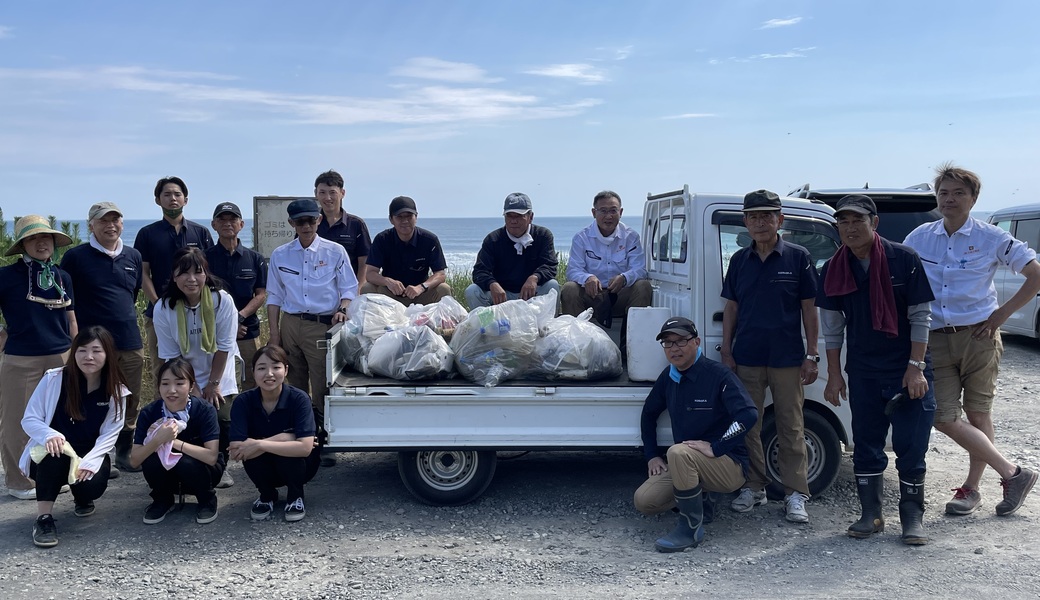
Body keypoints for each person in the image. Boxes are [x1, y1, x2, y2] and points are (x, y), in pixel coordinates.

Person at [903, 164, 1040, 517]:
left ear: (973, 198)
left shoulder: (991, 237)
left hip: (979, 337)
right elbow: (897, 277)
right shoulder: (920, 237)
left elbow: (1035, 274)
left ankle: (972, 489)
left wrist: (1001, 316)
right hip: (934, 339)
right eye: (944, 193)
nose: (949, 200)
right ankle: (1014, 473)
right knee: (944, 416)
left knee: (979, 414)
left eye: (958, 193)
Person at [816, 195, 936, 545]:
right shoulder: (833, 268)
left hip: (906, 367)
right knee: (866, 443)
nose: (850, 228)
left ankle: (912, 517)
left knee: (911, 444)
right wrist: (835, 374)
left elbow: (920, 317)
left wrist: (915, 369)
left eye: (858, 220)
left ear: (874, 223)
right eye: (843, 221)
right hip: (865, 368)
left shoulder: (904, 259)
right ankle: (871, 514)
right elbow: (833, 327)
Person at [720, 189, 819, 523]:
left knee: (791, 426)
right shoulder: (738, 260)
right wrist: (727, 350)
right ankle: (753, 487)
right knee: (748, 424)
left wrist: (812, 354)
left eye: (766, 216)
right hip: (747, 356)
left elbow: (809, 309)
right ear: (745, 222)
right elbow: (731, 307)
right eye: (753, 217)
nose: (760, 223)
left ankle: (795, 494)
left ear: (781, 219)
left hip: (788, 357)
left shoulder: (798, 256)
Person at [634, 317, 758, 553]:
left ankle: (690, 529)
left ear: (697, 342)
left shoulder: (718, 375)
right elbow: (649, 414)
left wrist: (716, 447)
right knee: (645, 501)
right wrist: (651, 455)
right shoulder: (669, 377)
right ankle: (702, 500)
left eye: (681, 341)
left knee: (678, 452)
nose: (674, 349)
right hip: (687, 463)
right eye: (668, 343)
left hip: (728, 464)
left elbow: (748, 415)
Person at [267, 198, 358, 467]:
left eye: (310, 220)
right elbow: (274, 296)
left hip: (321, 325)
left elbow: (350, 288)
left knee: (321, 385)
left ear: (319, 220)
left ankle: (323, 440)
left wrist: (343, 308)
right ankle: (297, 438)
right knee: (293, 384)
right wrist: (274, 334)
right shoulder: (280, 255)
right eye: (300, 222)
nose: (306, 226)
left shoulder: (335, 251)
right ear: (291, 224)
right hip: (290, 323)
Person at [20, 327, 129, 547]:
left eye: (96, 350)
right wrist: (49, 434)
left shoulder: (116, 390)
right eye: (82, 350)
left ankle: (82, 496)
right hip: (54, 450)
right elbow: (29, 419)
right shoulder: (54, 379)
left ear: (107, 354)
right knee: (54, 456)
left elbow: (111, 432)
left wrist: (93, 460)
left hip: (89, 451)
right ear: (74, 352)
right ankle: (44, 519)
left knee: (92, 486)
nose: (89, 357)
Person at [60, 202, 144, 475]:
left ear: (122, 223)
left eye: (115, 220)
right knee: (94, 396)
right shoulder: (75, 257)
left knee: (129, 396)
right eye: (103, 221)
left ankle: (123, 450)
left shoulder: (132, 256)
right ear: (91, 225)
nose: (110, 225)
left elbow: (131, 297)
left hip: (130, 340)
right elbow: (66, 302)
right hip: (92, 345)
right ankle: (97, 456)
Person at [1, 215, 78, 500]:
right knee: (16, 421)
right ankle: (19, 481)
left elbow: (71, 320)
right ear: (23, 245)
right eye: (33, 238)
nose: (41, 242)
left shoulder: (62, 276)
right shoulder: (6, 276)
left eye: (46, 237)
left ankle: (59, 473)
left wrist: (75, 351)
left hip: (61, 355)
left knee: (61, 417)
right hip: (21, 358)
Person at [205, 202, 267, 488]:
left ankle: (255, 445)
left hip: (248, 332)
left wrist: (238, 318)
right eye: (222, 219)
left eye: (233, 219)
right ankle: (222, 459)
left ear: (242, 225)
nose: (228, 224)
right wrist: (226, 326)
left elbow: (262, 293)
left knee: (256, 389)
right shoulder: (204, 259)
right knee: (222, 397)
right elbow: (200, 297)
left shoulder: (254, 258)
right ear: (214, 225)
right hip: (214, 340)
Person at [134, 176, 214, 387]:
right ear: (157, 200)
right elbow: (143, 273)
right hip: (160, 311)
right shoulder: (147, 234)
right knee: (162, 367)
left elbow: (207, 273)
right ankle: (166, 415)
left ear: (185, 200)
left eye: (178, 194)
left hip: (197, 310)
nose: (173, 199)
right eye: (167, 194)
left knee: (200, 362)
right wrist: (158, 304)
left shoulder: (201, 233)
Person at [229, 345, 319, 522]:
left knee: (288, 454)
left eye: (276, 367)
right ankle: (267, 495)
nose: (269, 373)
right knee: (271, 451)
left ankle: (295, 496)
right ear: (253, 372)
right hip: (262, 464)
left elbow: (306, 448)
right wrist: (285, 437)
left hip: (300, 465)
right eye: (262, 368)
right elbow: (236, 451)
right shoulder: (243, 402)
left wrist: (258, 444)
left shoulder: (299, 398)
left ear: (285, 370)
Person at [129, 357, 224, 525]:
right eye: (165, 384)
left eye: (180, 383)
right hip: (168, 476)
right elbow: (135, 460)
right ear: (158, 387)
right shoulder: (149, 413)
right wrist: (157, 440)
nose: (171, 390)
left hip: (203, 472)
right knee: (151, 459)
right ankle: (162, 499)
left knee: (184, 462)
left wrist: (173, 442)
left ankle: (206, 499)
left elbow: (211, 457)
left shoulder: (204, 410)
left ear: (191, 386)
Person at [152, 247, 240, 411]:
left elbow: (224, 347)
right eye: (184, 273)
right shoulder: (163, 308)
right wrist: (194, 390)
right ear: (174, 276)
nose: (191, 279)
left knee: (222, 419)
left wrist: (213, 385)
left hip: (219, 378)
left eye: (198, 272)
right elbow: (173, 356)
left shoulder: (222, 301)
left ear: (206, 275)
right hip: (181, 379)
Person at [562, 190, 651, 331]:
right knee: (569, 289)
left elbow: (640, 269)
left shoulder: (631, 237)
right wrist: (587, 278)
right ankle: (578, 343)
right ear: (593, 213)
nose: (608, 216)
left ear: (620, 212)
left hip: (620, 294)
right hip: (592, 296)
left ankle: (632, 343)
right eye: (603, 211)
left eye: (613, 211)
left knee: (643, 286)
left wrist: (624, 278)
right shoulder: (581, 238)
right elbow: (573, 270)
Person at [465, 192, 560, 309]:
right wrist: (492, 284)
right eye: (509, 216)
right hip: (502, 297)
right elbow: (479, 271)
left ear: (531, 217)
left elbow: (550, 265)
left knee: (552, 285)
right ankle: (488, 326)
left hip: (532, 295)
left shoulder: (543, 235)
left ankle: (545, 325)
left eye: (519, 216)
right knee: (472, 290)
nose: (513, 221)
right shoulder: (493, 239)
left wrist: (534, 278)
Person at [360, 196, 451, 306]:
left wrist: (422, 287)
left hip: (420, 295)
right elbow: (370, 274)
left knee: (444, 289)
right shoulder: (382, 239)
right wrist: (388, 282)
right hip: (390, 295)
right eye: (400, 217)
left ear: (416, 217)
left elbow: (440, 274)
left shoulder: (430, 240)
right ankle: (375, 322)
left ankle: (441, 322)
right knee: (367, 288)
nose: (405, 221)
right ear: (391, 219)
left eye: (409, 216)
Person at [314, 169, 371, 286]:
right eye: (322, 192)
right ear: (316, 194)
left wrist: (358, 289)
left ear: (342, 193)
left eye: (332, 192)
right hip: (316, 290)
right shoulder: (310, 223)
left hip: (348, 288)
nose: (327, 198)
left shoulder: (356, 225)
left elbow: (364, 262)